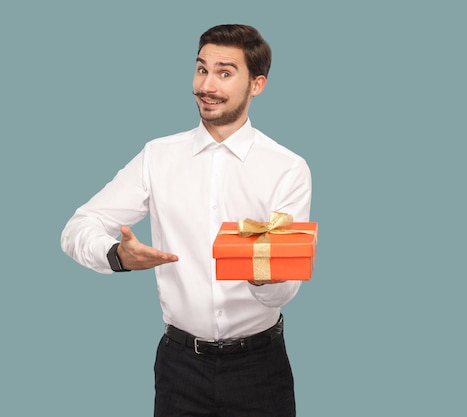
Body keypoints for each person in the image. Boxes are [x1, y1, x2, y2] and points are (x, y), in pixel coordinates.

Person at [61, 24, 311, 417]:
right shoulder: (157, 157)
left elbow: (284, 291)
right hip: (180, 368)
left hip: (259, 367)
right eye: (201, 69)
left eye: (225, 73)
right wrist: (115, 256)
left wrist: (261, 271)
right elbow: (79, 226)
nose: (207, 85)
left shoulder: (286, 169)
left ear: (257, 84)